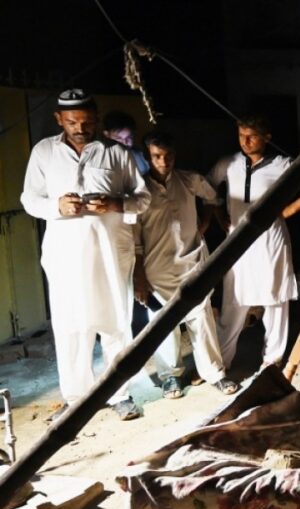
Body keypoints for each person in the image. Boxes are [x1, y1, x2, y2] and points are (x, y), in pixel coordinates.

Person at [20, 88, 151, 420]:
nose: (81, 127)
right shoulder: (44, 152)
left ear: (96, 120)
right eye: (73, 121)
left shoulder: (116, 153)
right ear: (59, 119)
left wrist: (115, 204)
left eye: (88, 121)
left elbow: (144, 198)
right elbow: (29, 200)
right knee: (70, 326)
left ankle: (119, 393)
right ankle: (75, 398)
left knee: (115, 324)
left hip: (110, 254)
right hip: (65, 257)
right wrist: (57, 206)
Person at [207, 115, 300, 371]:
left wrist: (288, 211)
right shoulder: (228, 163)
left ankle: (271, 363)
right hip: (238, 242)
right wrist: (218, 213)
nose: (246, 141)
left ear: (266, 137)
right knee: (233, 302)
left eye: (251, 136)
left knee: (275, 302)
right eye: (241, 135)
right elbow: (207, 188)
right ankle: (220, 363)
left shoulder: (283, 164)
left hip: (270, 242)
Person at [134, 131, 240, 399]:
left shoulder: (189, 179)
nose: (164, 161)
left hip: (192, 262)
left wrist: (206, 221)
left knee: (201, 319)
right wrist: (139, 277)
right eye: (157, 156)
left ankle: (215, 373)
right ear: (147, 157)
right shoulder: (139, 190)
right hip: (157, 268)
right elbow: (134, 238)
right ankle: (171, 377)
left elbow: (213, 197)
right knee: (163, 323)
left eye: (168, 155)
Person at [102, 110, 149, 174]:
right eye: (119, 138)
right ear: (107, 135)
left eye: (128, 137)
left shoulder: (142, 157)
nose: (124, 142)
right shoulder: (101, 160)